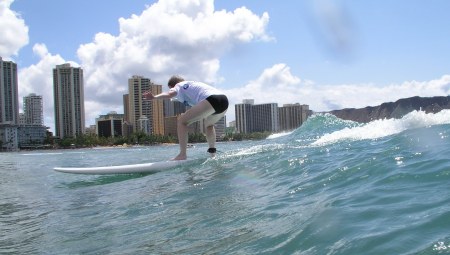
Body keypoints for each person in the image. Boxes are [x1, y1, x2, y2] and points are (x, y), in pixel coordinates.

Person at [143, 75, 229, 160]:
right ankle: (212, 154)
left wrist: (154, 97)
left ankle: (182, 154)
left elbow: (170, 94)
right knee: (209, 125)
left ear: (172, 85)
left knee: (181, 122)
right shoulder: (191, 85)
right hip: (224, 101)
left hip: (211, 100)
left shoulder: (178, 86)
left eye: (170, 88)